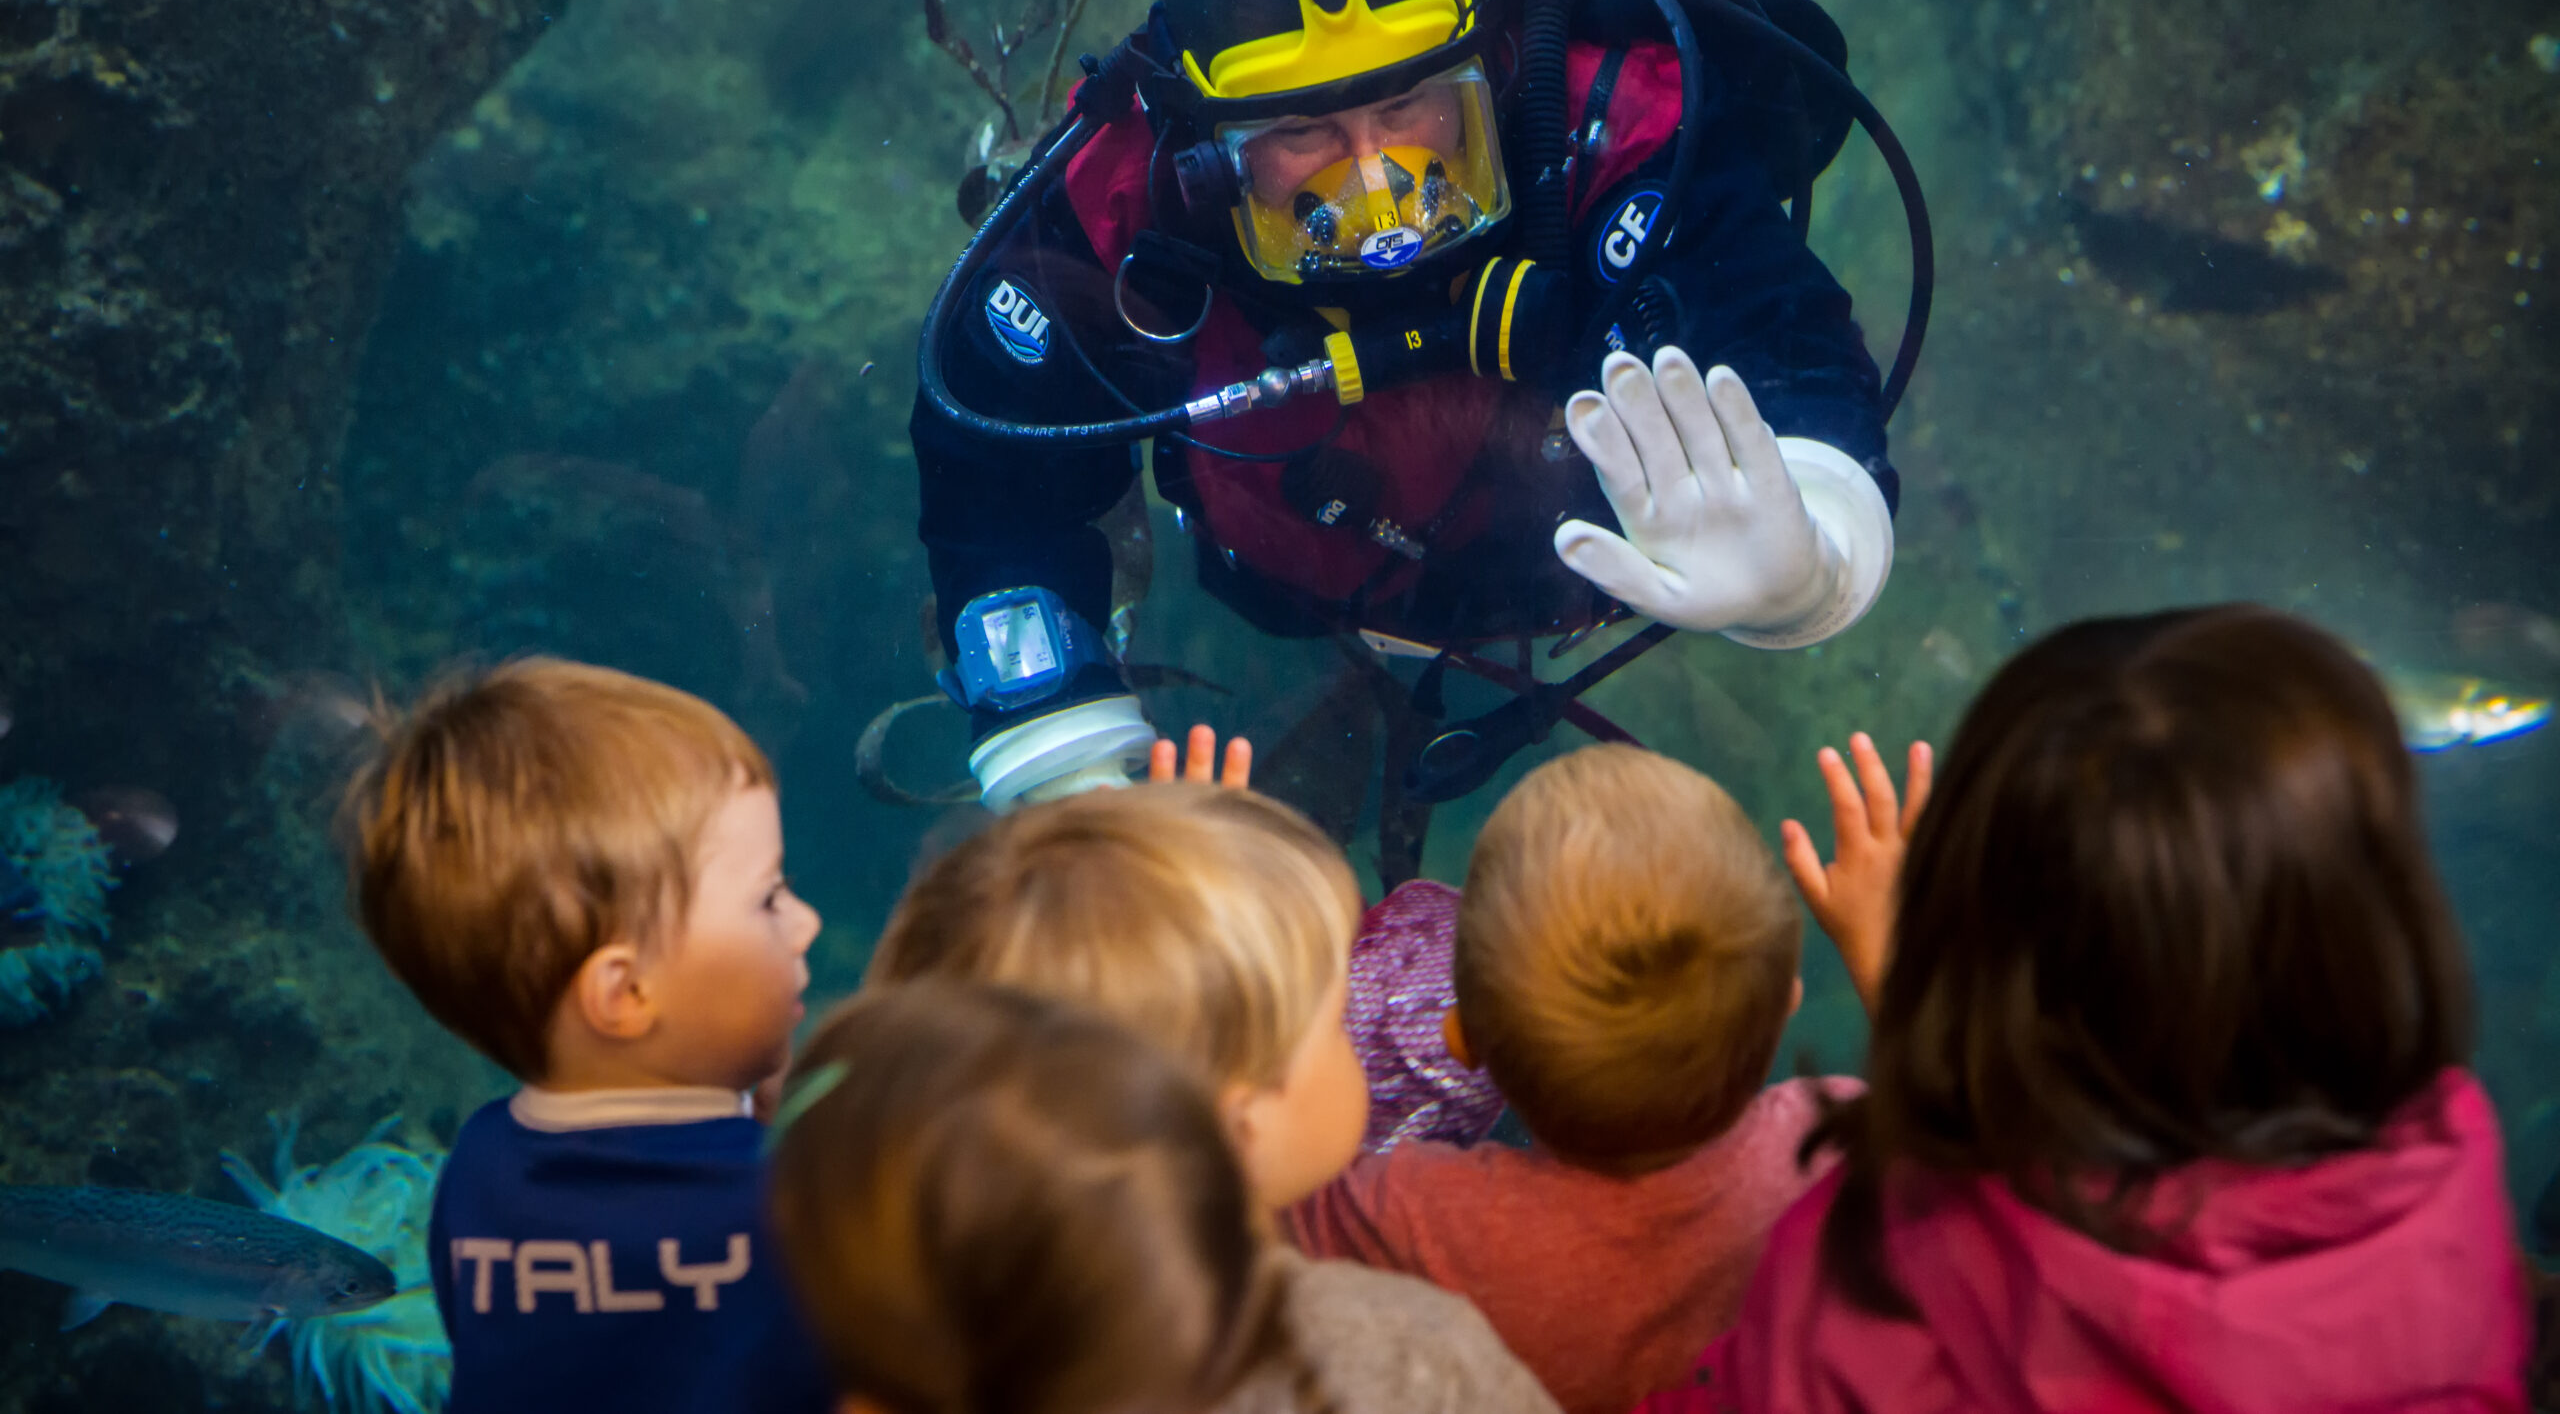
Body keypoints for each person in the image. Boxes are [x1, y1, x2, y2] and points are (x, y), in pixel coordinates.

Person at [912, 0, 1900, 813]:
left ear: (1487, 75)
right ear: (1207, 150)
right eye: (1303, 133)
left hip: (1588, 584)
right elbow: (994, 471)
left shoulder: (1604, 124)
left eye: (1414, 110)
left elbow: (1778, 329)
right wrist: (1058, 748)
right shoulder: (1122, 196)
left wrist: (1812, 555)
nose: (1382, 187)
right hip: (1283, 605)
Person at [1641, 605, 2530, 1413]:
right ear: (2370, 928)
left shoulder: (1885, 1276)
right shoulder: (2450, 1186)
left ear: (1977, 937)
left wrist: (1902, 978)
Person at [865, 781, 1562, 1412]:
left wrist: (1204, 892)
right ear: (1241, 1123)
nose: (1358, 1025)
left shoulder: (956, 1351)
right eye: (1334, 1017)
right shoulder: (1406, 1356)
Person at [1285, 744, 1857, 1414]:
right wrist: (1881, 961)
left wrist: (1234, 934)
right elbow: (1963, 1162)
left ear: (1463, 1039)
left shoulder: (1415, 1213)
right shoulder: (1831, 1146)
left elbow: (1254, 1199)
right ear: (1787, 1003)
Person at [340, 658, 831, 1414]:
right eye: (769, 897)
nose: (808, 922)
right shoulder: (797, 1199)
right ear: (625, 992)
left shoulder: (478, 1172)